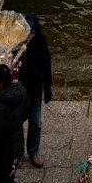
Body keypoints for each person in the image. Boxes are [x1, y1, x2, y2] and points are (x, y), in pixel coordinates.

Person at [16, 11, 53, 167]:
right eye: (28, 32)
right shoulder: (17, 42)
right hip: (19, 89)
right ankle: (16, 152)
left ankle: (33, 150)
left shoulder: (40, 40)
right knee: (16, 122)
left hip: (35, 88)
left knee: (36, 122)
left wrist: (47, 86)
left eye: (33, 32)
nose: (30, 35)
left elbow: (46, 63)